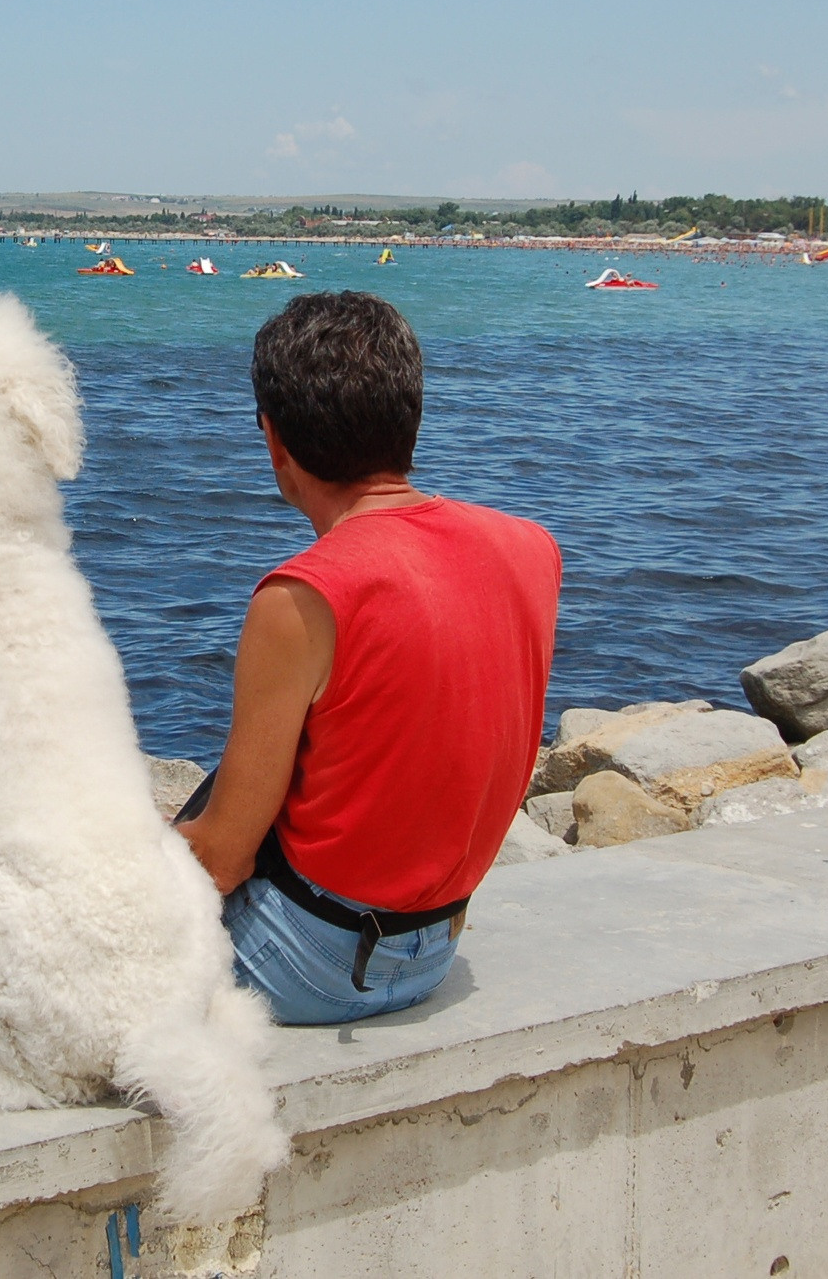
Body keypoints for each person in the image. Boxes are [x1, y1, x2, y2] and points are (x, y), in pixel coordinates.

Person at [175, 292, 560, 1024]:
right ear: (409, 412)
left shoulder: (301, 599)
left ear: (273, 439)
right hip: (434, 950)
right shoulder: (531, 548)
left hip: (307, 967)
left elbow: (223, 861)